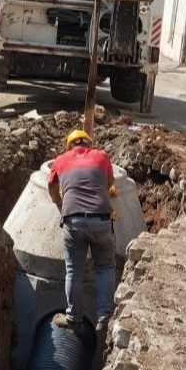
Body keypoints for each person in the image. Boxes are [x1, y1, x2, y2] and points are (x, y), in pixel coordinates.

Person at [47, 129, 117, 333]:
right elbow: (110, 182)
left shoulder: (60, 160)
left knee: (73, 270)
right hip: (101, 219)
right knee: (105, 266)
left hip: (72, 220)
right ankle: (104, 318)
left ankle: (74, 319)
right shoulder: (102, 156)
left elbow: (51, 187)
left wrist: (60, 201)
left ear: (69, 146)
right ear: (89, 144)